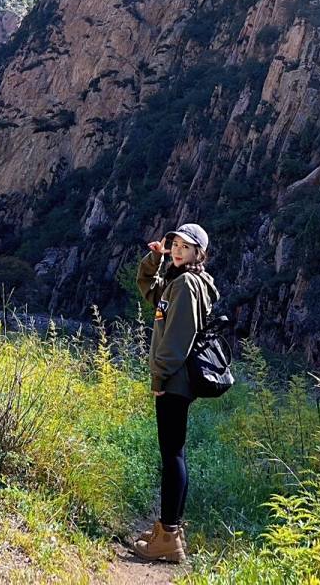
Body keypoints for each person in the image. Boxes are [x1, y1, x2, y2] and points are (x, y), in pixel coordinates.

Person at [131, 222, 218, 564]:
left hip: (174, 380)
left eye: (186, 246)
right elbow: (150, 291)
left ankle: (167, 537)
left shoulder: (186, 286)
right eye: (176, 244)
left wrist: (159, 377)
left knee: (172, 456)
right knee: (174, 454)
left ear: (200, 253)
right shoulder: (179, 282)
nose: (179, 250)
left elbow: (177, 338)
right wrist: (154, 260)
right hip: (178, 380)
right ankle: (170, 530)